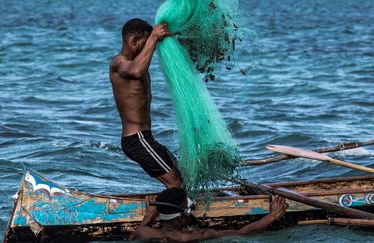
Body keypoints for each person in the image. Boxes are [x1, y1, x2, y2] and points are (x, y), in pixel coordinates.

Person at [109, 18, 183, 189]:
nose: (152, 48)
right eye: (145, 42)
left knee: (180, 176)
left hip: (146, 137)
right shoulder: (118, 63)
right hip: (136, 139)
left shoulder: (138, 62)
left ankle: (159, 209)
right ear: (133, 41)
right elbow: (135, 71)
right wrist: (153, 38)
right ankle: (157, 213)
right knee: (175, 183)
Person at [129, 188, 288, 241]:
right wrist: (272, 216)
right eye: (190, 208)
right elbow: (243, 232)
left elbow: (132, 237)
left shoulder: (144, 231)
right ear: (180, 218)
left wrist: (147, 217)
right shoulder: (192, 237)